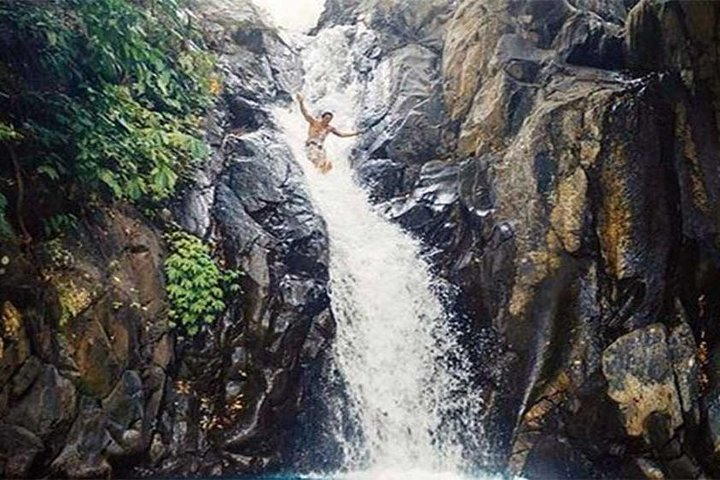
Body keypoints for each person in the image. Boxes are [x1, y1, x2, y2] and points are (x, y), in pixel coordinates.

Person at [296, 93, 363, 173]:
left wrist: (356, 133)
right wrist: (301, 102)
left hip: (320, 148)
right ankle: (315, 174)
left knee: (327, 166)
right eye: (327, 118)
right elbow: (305, 113)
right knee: (315, 160)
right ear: (322, 117)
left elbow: (341, 134)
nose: (328, 120)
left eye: (330, 119)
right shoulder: (314, 122)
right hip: (311, 145)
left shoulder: (329, 128)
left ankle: (321, 177)